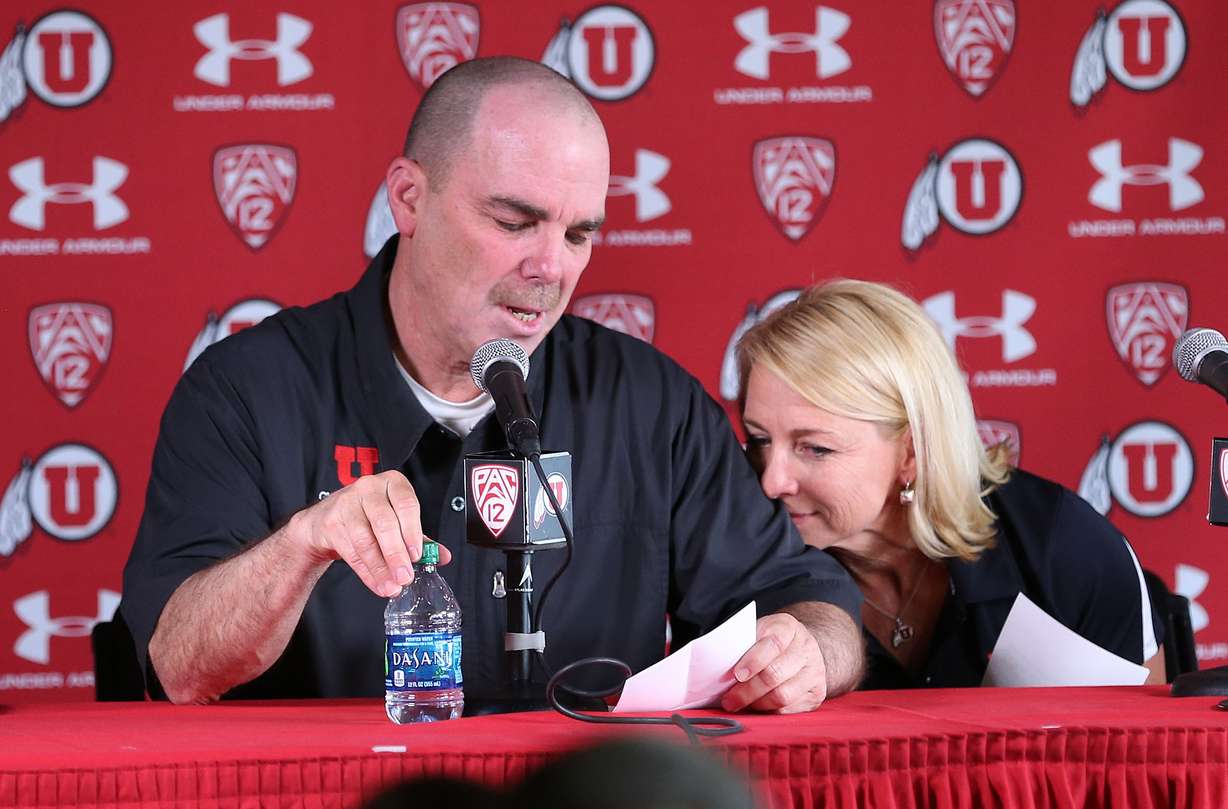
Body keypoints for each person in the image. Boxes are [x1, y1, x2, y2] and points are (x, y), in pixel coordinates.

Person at [119, 57, 865, 710]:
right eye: (515, 221)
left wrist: (808, 652)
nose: (552, 268)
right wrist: (304, 544)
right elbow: (178, 666)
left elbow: (818, 602)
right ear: (408, 198)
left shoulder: (650, 404)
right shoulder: (247, 391)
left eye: (579, 234)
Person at [735, 279, 1166, 689]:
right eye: (758, 440)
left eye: (814, 448)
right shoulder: (734, 555)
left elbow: (1143, 752)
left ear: (912, 452)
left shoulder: (1061, 548)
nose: (771, 481)